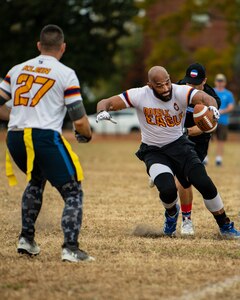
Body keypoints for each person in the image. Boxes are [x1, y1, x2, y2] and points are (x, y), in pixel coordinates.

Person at [96, 66, 240, 238]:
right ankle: (171, 214)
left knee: (204, 182)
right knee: (167, 189)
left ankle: (225, 225)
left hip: (179, 146)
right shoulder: (139, 94)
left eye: (167, 83)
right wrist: (102, 111)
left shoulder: (180, 91)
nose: (165, 89)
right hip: (154, 151)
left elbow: (204, 97)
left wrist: (212, 107)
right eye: (159, 85)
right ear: (150, 85)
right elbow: (107, 102)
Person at [0, 24, 94, 262]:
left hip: (15, 137)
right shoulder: (65, 73)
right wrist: (86, 135)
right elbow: (79, 120)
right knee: (73, 191)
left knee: (36, 180)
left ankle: (26, 239)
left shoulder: (16, 69)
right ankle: (71, 248)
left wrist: (19, 117)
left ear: (39, 46)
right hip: (43, 136)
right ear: (63, 47)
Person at [176, 63, 221, 236]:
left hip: (198, 141)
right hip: (176, 137)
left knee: (185, 179)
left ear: (205, 81)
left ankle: (186, 221)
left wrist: (185, 131)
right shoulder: (177, 87)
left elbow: (208, 127)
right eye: (189, 84)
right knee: (176, 180)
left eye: (196, 85)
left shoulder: (212, 98)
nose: (191, 88)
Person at [214, 73, 235, 166]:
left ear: (224, 83)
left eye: (221, 81)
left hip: (223, 121)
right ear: (215, 82)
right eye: (218, 81)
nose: (220, 83)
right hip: (211, 120)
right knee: (207, 139)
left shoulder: (228, 94)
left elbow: (231, 107)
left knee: (221, 140)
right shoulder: (212, 92)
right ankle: (205, 158)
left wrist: (221, 111)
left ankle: (219, 159)